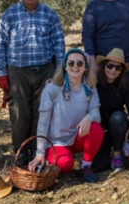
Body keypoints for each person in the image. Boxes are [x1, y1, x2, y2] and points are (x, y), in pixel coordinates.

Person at [0, 0, 65, 162]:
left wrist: (59, 72)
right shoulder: (9, 15)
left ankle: (37, 152)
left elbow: (59, 44)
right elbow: (0, 44)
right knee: (19, 114)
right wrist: (0, 72)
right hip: (18, 72)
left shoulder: (49, 14)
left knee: (42, 112)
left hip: (45, 71)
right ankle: (21, 153)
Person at [28, 48, 102, 183]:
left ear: (85, 67)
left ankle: (86, 165)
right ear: (65, 66)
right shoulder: (52, 89)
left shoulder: (90, 88)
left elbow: (96, 113)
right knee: (65, 165)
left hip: (77, 137)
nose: (75, 66)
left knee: (96, 128)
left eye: (79, 63)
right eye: (71, 63)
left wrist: (89, 117)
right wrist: (40, 152)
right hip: (57, 142)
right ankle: (55, 157)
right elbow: (43, 123)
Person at [93, 48, 129, 171]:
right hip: (99, 127)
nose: (113, 70)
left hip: (118, 124)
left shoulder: (125, 85)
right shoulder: (94, 83)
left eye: (118, 68)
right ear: (104, 66)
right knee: (99, 165)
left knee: (118, 117)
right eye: (110, 66)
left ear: (122, 71)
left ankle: (118, 153)